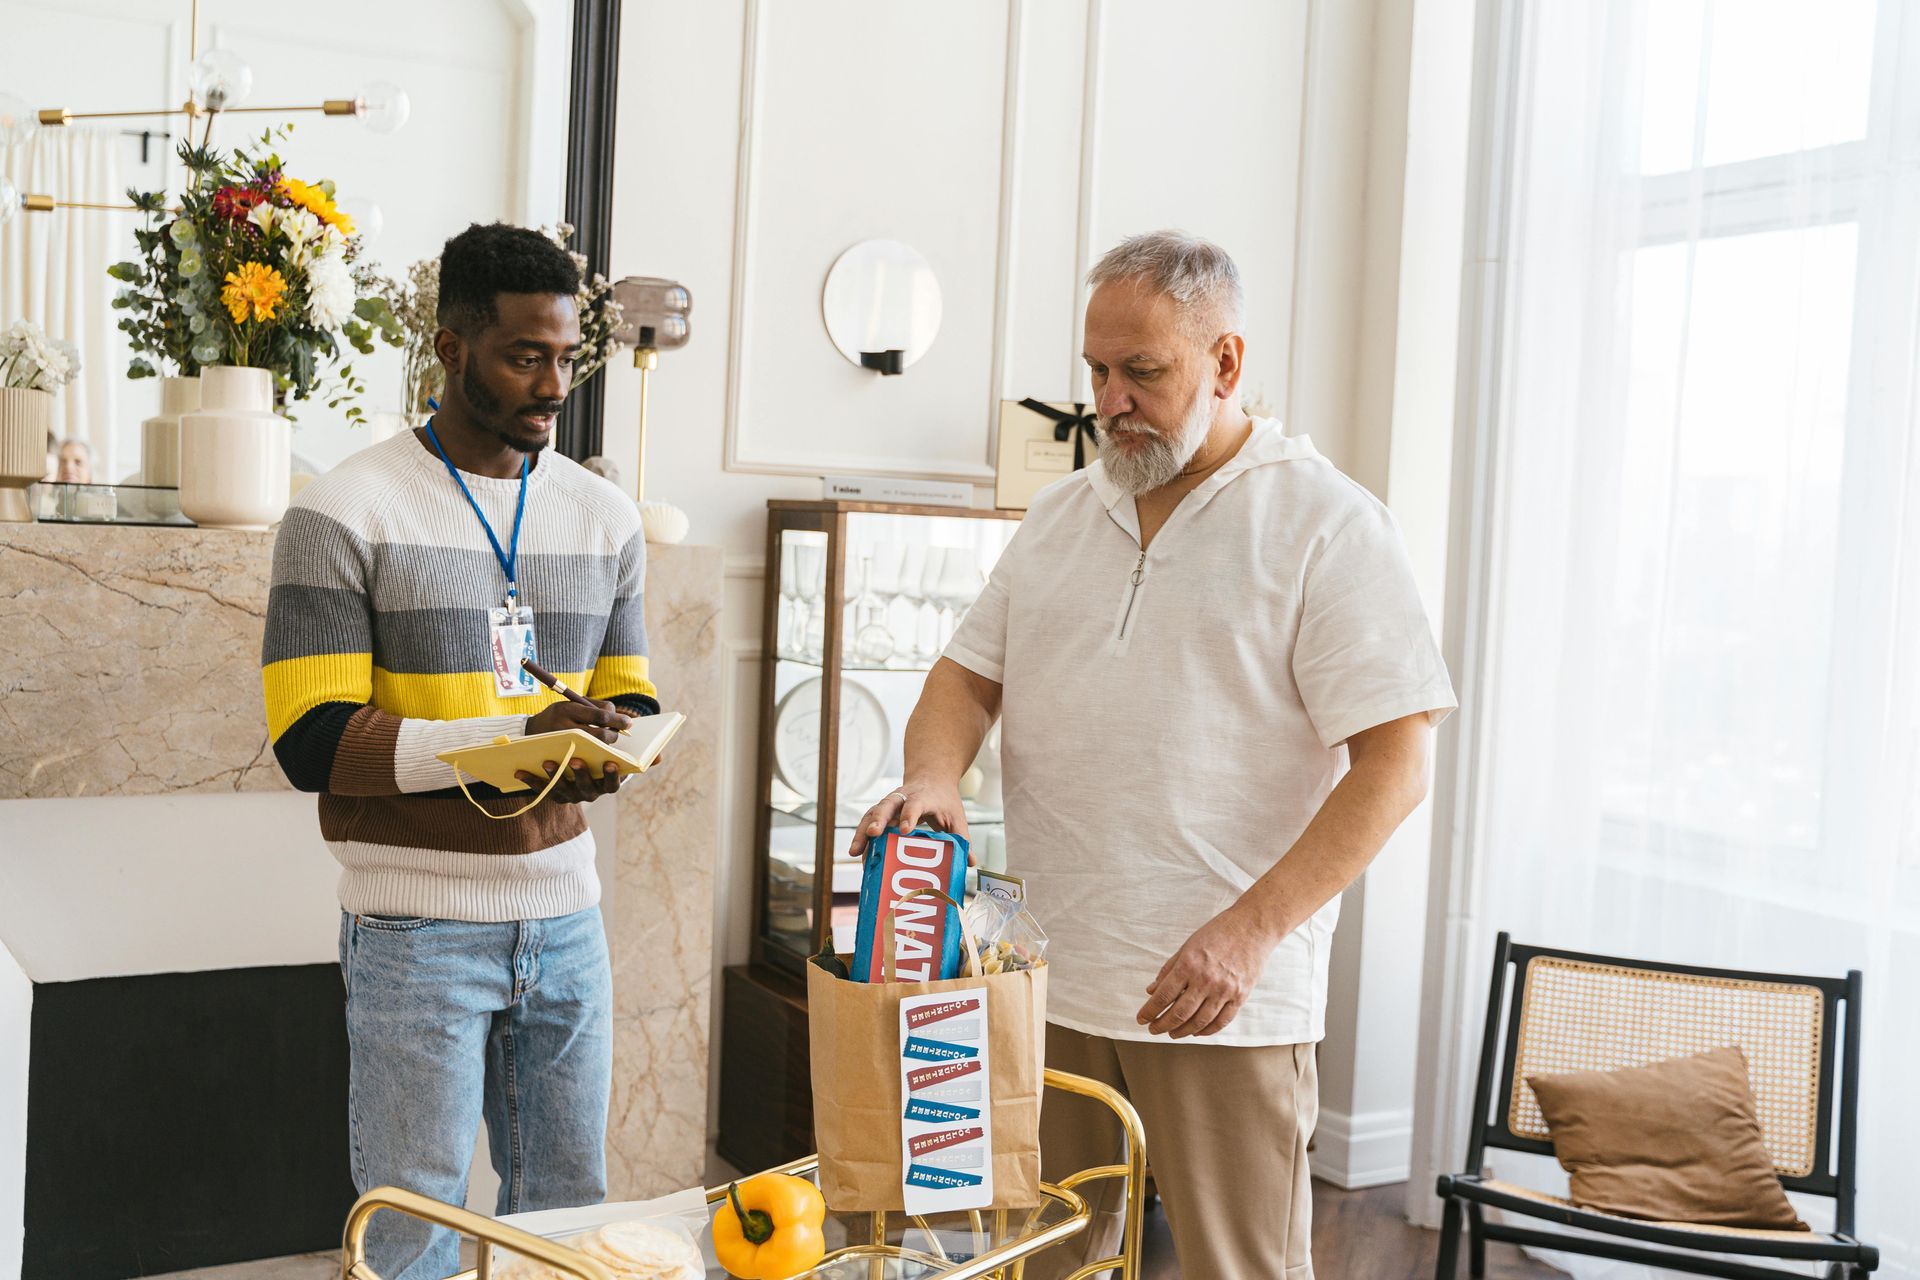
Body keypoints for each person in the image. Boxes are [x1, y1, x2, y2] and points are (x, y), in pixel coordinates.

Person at [853, 231, 1456, 1279]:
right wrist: (934, 777)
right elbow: (963, 677)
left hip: (1222, 998)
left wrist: (1249, 931)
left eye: (1144, 371)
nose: (1110, 399)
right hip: (1049, 972)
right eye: (1096, 370)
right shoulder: (1059, 515)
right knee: (1047, 1262)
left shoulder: (1329, 525)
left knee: (1239, 1270)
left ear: (1226, 363)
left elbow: (1397, 763)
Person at [261, 223, 660, 1280]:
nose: (553, 384)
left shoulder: (605, 516)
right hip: (413, 927)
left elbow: (627, 691)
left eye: (567, 356)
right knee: (413, 1236)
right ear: (449, 347)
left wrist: (609, 741)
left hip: (570, 919)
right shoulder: (341, 511)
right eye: (525, 354)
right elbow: (311, 741)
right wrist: (510, 738)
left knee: (571, 1224)